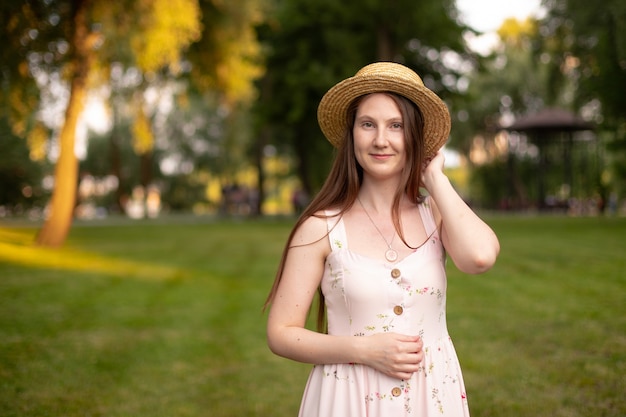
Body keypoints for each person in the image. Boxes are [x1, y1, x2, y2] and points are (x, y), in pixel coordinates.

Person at [264, 62, 500, 416]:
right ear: (352, 134)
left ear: (414, 137)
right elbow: (281, 332)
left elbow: (480, 257)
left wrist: (436, 180)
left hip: (430, 396)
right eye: (367, 124)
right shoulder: (320, 228)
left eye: (396, 126)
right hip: (348, 398)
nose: (380, 140)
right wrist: (364, 351)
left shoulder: (435, 214)